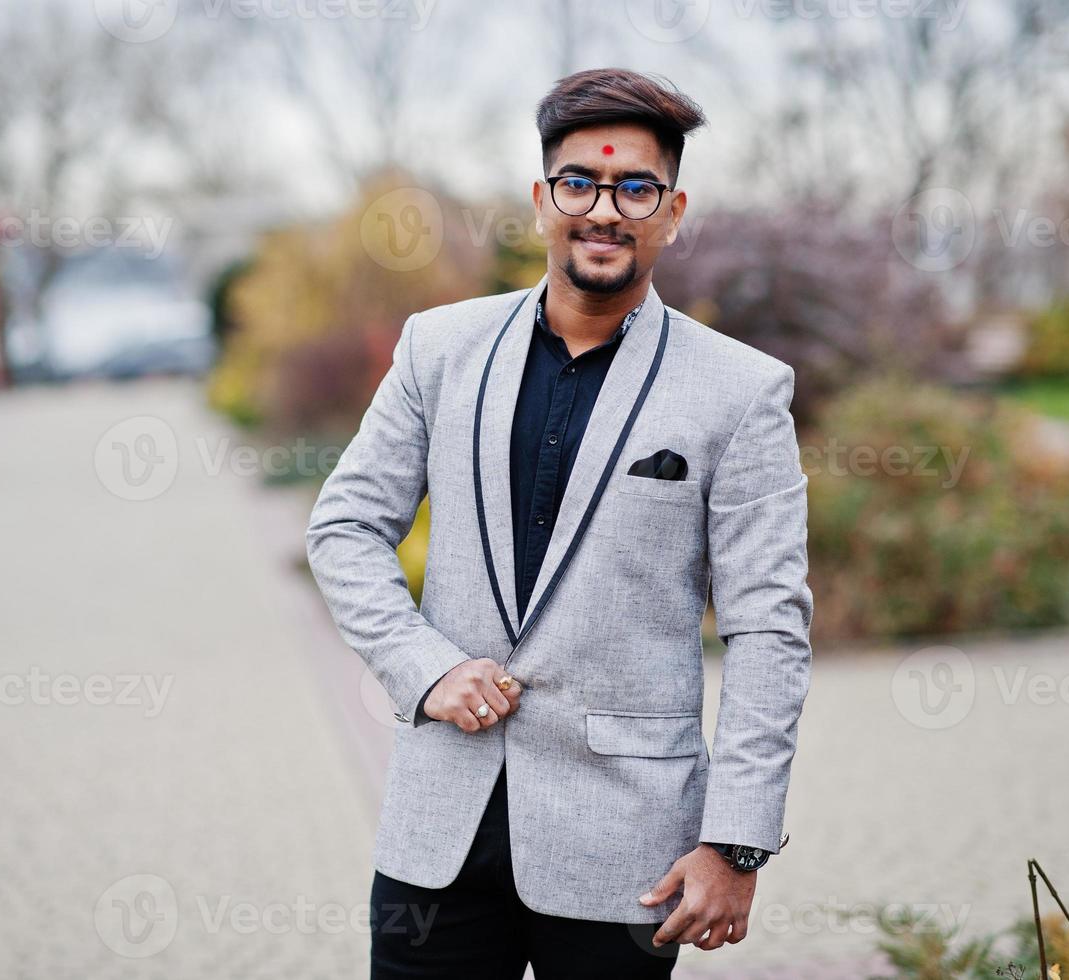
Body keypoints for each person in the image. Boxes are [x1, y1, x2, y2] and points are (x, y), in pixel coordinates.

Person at [305, 67, 813, 979]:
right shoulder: (440, 347)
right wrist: (425, 668)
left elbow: (767, 627)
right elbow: (343, 528)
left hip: (629, 850)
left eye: (634, 187)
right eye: (578, 182)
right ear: (541, 201)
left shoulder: (740, 392)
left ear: (672, 210)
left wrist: (735, 843)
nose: (603, 210)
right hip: (439, 838)